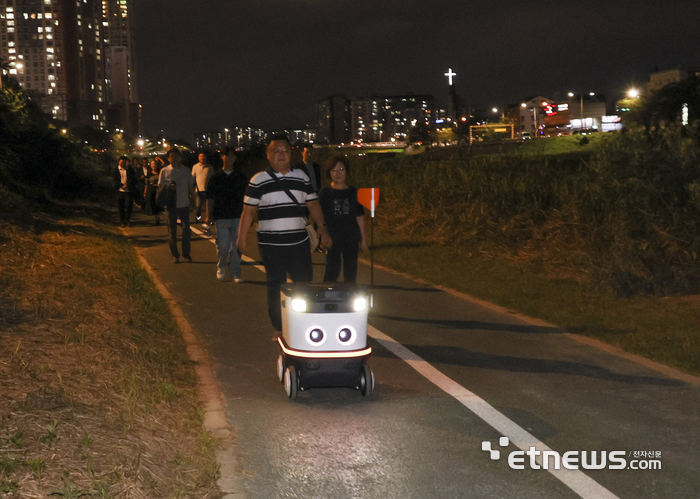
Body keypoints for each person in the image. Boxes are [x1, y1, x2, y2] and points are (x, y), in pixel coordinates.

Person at [237, 135, 331, 334]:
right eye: (276, 151)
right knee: (276, 285)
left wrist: (321, 225)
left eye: (285, 151)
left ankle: (304, 324)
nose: (281, 155)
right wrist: (242, 236)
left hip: (299, 242)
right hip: (271, 245)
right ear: (268, 154)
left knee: (303, 284)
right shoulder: (258, 180)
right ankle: (279, 327)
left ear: (291, 152)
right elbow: (249, 212)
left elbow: (313, 203)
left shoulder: (302, 177)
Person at [318, 155, 367, 283]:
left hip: (351, 237)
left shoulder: (353, 192)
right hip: (332, 237)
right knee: (332, 270)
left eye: (341, 169)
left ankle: (350, 298)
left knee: (351, 271)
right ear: (329, 173)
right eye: (334, 170)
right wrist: (324, 236)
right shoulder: (324, 193)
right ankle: (327, 297)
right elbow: (320, 217)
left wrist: (363, 239)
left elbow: (359, 216)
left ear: (346, 171)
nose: (338, 173)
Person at [205, 146, 248, 282]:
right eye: (226, 156)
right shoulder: (215, 177)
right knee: (223, 246)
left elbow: (247, 199)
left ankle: (235, 272)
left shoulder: (241, 177)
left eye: (232, 156)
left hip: (237, 216)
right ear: (222, 157)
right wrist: (208, 216)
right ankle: (222, 266)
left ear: (235, 158)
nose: (229, 159)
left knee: (236, 246)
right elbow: (210, 198)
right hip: (221, 216)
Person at [157, 148, 196, 263]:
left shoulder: (186, 170)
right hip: (171, 205)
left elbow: (191, 187)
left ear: (180, 157)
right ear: (168, 158)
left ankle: (186, 253)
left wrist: (194, 201)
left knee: (186, 230)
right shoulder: (164, 171)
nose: (174, 158)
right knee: (172, 231)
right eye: (171, 156)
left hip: (184, 204)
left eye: (176, 156)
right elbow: (160, 188)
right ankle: (175, 254)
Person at [112, 155, 136, 227]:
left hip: (128, 191)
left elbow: (133, 178)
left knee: (128, 205)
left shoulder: (130, 169)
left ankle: (127, 220)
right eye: (122, 163)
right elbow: (115, 180)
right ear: (119, 162)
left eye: (124, 163)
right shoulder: (116, 170)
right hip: (120, 191)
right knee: (120, 206)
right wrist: (121, 185)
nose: (123, 164)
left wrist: (128, 184)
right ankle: (122, 221)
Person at [191, 152, 213, 221]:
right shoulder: (195, 167)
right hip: (198, 189)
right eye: (201, 157)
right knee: (198, 205)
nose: (202, 158)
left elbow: (212, 177)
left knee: (208, 205)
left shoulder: (209, 167)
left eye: (204, 157)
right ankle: (198, 217)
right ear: (198, 158)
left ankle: (209, 218)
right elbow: (192, 178)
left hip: (208, 189)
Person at [144, 158, 163, 225]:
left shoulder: (160, 172)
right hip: (151, 189)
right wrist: (145, 192)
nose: (153, 165)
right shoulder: (149, 173)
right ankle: (156, 216)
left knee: (158, 202)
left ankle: (157, 214)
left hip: (158, 189)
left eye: (154, 164)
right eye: (152, 164)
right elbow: (146, 183)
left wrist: (159, 159)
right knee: (152, 203)